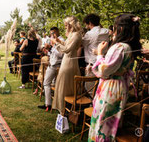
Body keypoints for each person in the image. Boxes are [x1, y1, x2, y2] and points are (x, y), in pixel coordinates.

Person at [88, 14, 142, 142]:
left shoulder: (120, 47)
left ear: (121, 29)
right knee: (111, 123)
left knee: (103, 124)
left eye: (115, 26)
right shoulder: (129, 47)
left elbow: (104, 70)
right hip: (120, 86)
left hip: (111, 88)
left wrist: (100, 54)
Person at [51, 16, 82, 114]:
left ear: (70, 25)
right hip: (66, 60)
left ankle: (65, 110)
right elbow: (66, 45)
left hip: (69, 62)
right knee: (64, 85)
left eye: (66, 25)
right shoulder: (72, 34)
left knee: (65, 86)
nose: (65, 27)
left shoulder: (76, 35)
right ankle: (63, 109)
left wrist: (56, 44)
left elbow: (67, 49)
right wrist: (59, 41)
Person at [37, 27, 65, 111]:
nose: (51, 35)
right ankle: (50, 103)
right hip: (53, 63)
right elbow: (52, 53)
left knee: (46, 83)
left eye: (52, 33)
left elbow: (61, 54)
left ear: (55, 33)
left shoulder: (61, 40)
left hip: (56, 65)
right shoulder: (54, 40)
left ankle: (48, 104)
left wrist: (52, 46)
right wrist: (48, 49)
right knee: (48, 83)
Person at [82, 14, 109, 96]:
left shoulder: (89, 34)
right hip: (103, 61)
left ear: (90, 23)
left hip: (92, 63)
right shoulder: (106, 31)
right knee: (101, 86)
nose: (86, 26)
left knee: (90, 87)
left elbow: (81, 44)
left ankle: (92, 105)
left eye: (86, 24)